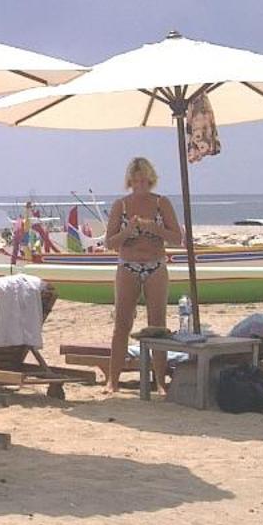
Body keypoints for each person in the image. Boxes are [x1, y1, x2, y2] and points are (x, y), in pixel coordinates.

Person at [104, 155, 182, 393]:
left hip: (155, 264)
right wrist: (128, 230)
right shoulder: (122, 205)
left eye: (144, 181)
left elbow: (177, 238)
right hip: (128, 265)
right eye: (135, 181)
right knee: (122, 323)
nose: (140, 186)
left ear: (151, 180)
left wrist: (153, 228)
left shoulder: (162, 203)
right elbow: (109, 242)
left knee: (157, 324)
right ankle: (112, 380)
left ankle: (159, 381)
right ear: (130, 181)